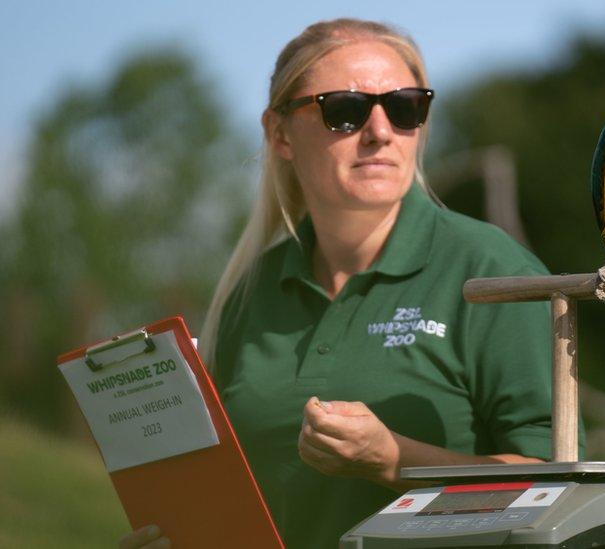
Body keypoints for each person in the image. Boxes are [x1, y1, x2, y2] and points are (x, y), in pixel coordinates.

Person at [120, 18, 569, 549]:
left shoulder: (492, 268)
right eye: (346, 110)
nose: (380, 131)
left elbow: (559, 484)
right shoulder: (250, 293)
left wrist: (395, 461)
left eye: (404, 107)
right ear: (280, 133)